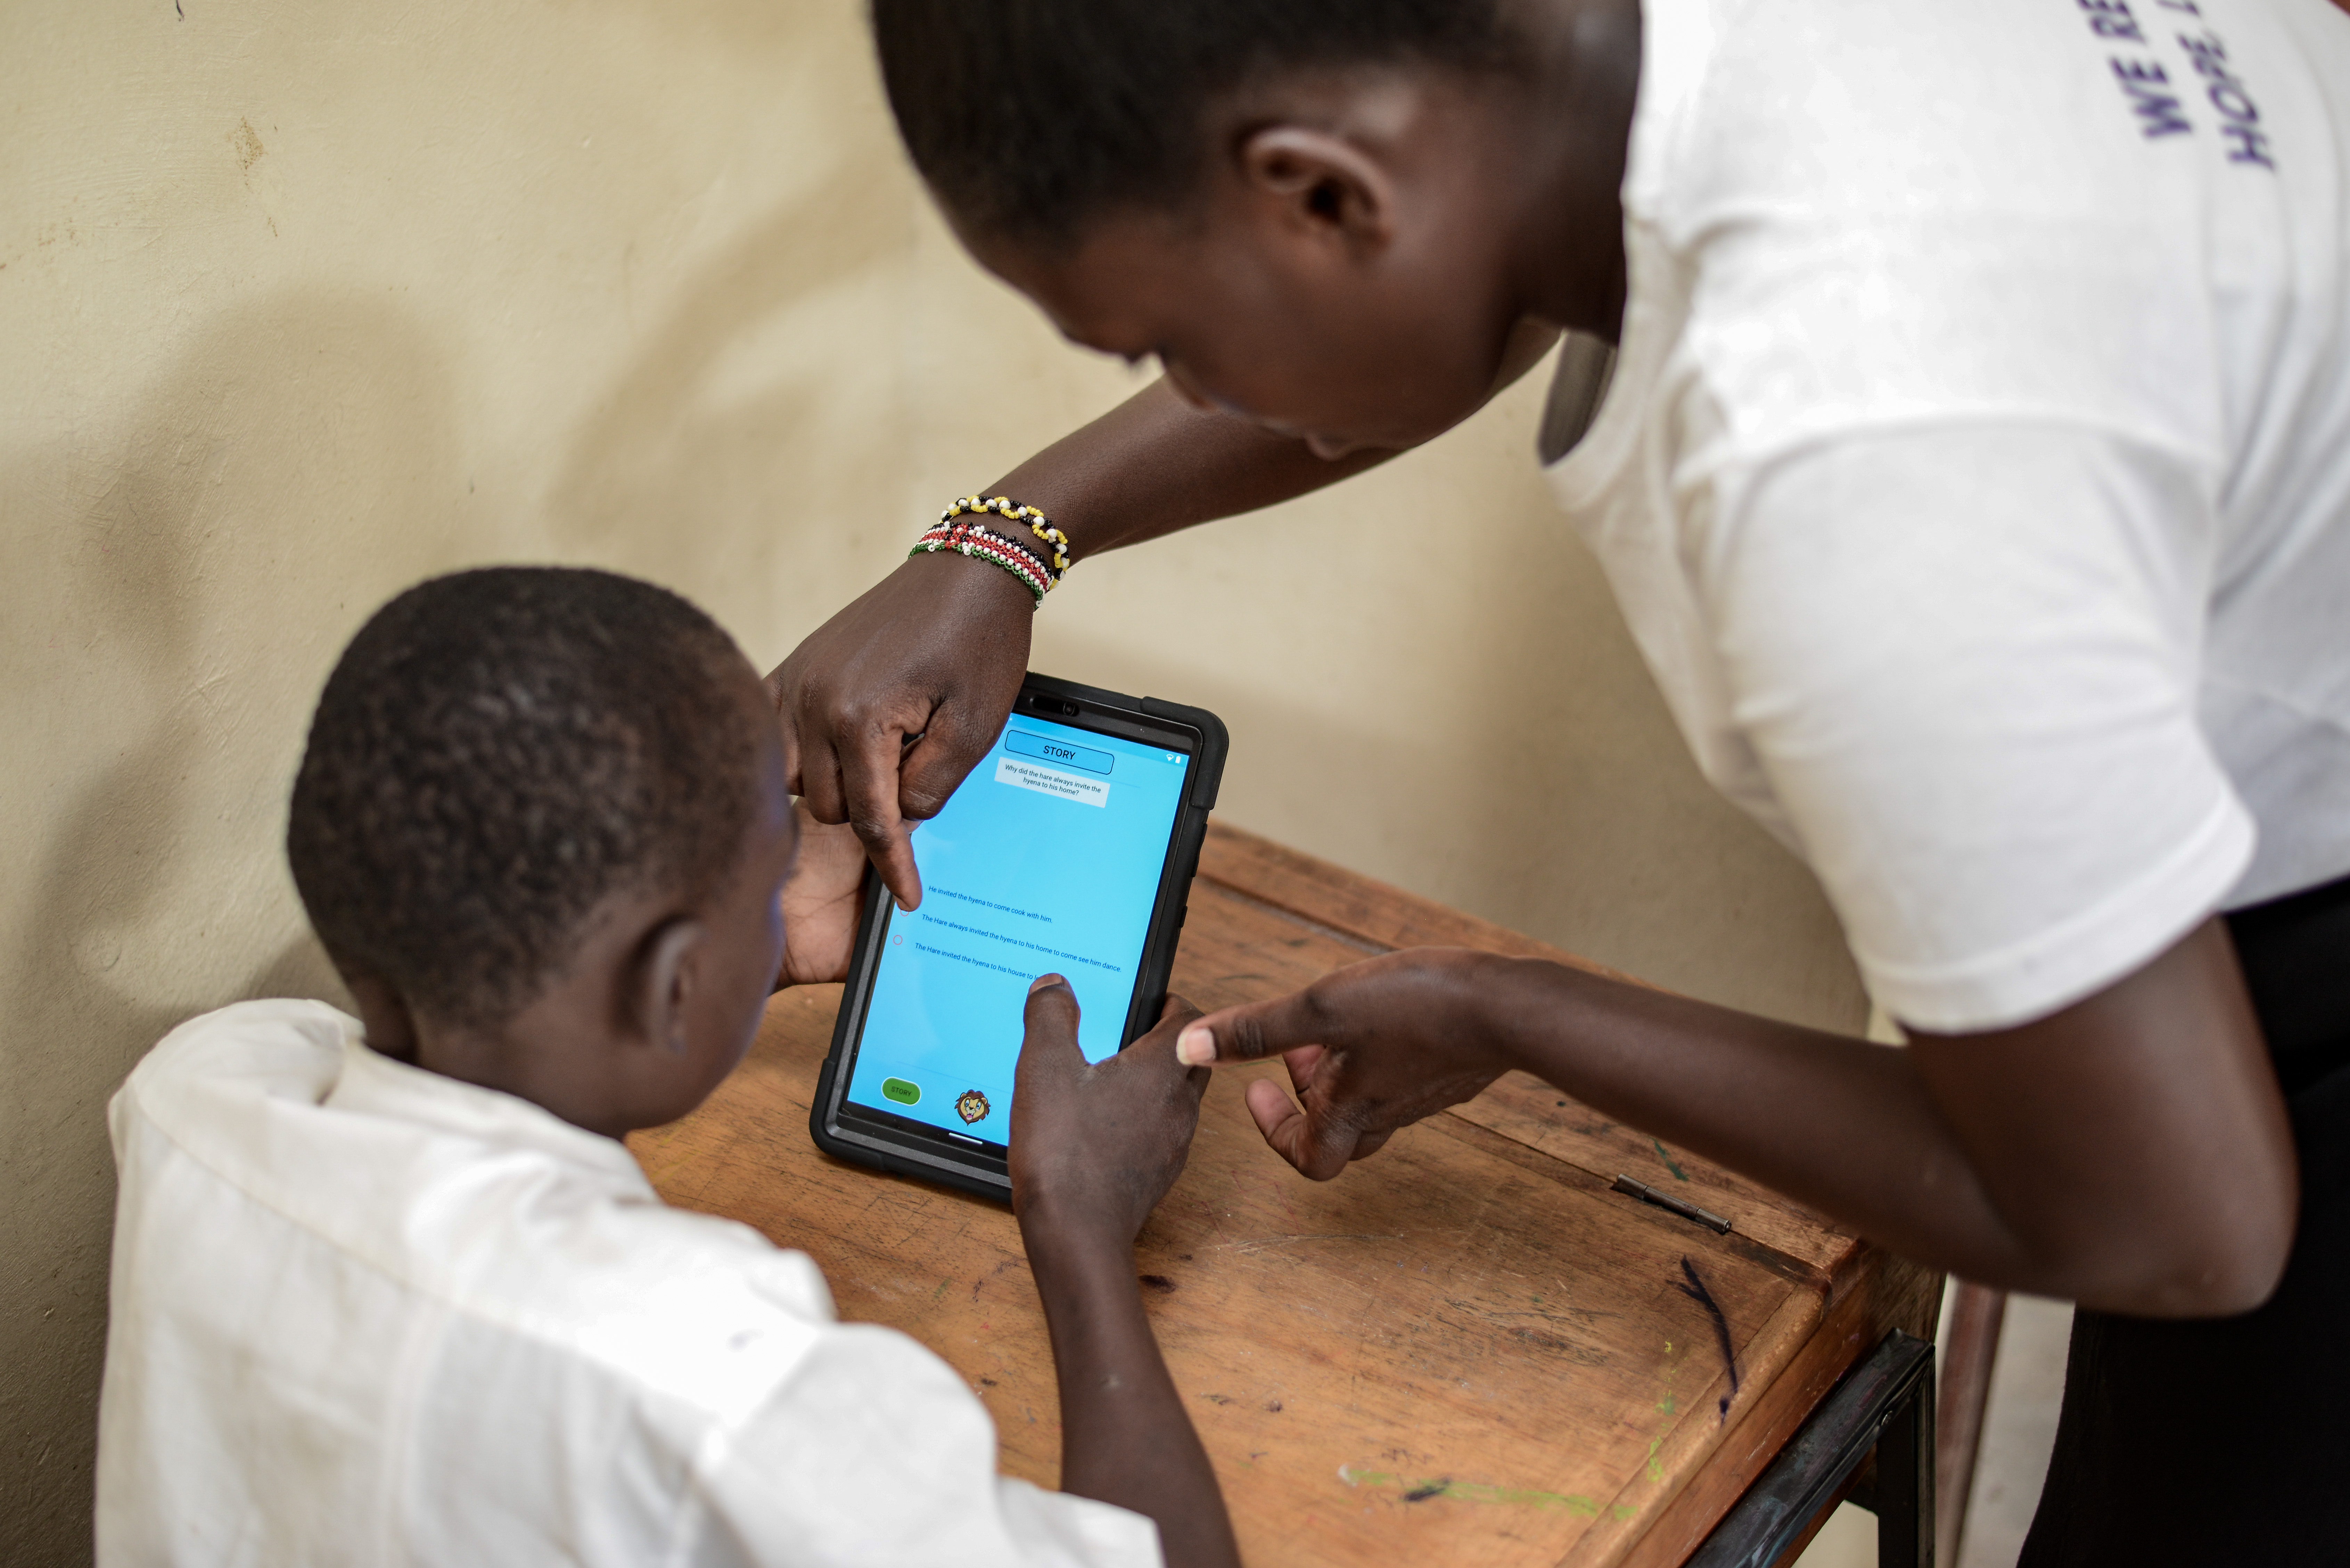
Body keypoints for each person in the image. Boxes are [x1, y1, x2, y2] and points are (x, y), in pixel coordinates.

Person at [769, 0, 2350, 1561]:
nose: (1184, 378)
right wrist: (1006, 540)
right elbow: (1498, 260)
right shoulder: (1583, 74)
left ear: (1327, 193)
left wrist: (1511, 1014)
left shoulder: (1849, 456)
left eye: (1169, 338)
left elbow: (2168, 1220)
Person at [95, 567, 1240, 1568]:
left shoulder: (198, 1093)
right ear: (671, 978)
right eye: (773, 855)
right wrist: (1079, 1220)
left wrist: (736, 957)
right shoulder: (712, 1364)